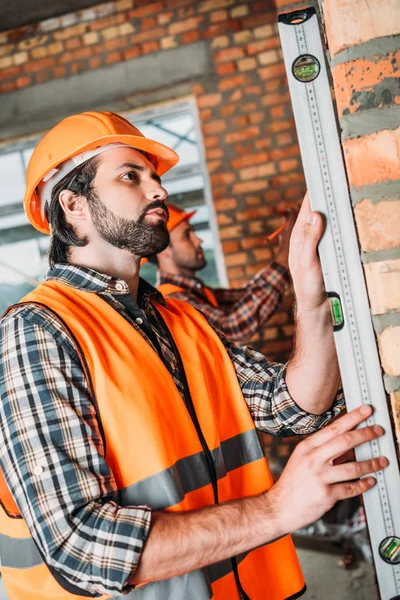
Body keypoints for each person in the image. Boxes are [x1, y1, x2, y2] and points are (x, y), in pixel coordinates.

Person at [0, 110, 386, 600]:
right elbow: (82, 545)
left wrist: (310, 297)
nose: (159, 190)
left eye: (155, 177)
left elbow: (294, 405)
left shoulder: (176, 317)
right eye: (130, 176)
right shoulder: (37, 330)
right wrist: (277, 508)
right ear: (74, 205)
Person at [151, 203, 296, 342]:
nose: (199, 240)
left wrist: (285, 251)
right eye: (187, 236)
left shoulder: (195, 291)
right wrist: (284, 256)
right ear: (164, 251)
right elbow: (233, 326)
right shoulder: (173, 300)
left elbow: (247, 294)